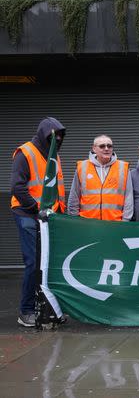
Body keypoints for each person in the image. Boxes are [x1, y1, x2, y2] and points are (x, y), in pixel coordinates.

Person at [11, 117, 66, 327]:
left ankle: (48, 308)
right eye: (55, 136)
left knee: (48, 264)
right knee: (33, 262)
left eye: (61, 137)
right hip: (26, 213)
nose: (59, 140)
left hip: (48, 216)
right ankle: (26, 311)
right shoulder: (25, 153)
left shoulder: (53, 155)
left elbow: (56, 187)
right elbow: (17, 187)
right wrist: (37, 209)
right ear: (45, 135)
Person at [67, 135, 134, 221]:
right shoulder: (82, 167)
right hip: (87, 224)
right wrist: (75, 220)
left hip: (115, 224)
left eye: (109, 146)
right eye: (102, 146)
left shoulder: (123, 168)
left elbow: (129, 198)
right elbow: (74, 196)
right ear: (94, 149)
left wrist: (125, 220)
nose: (106, 149)